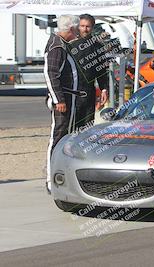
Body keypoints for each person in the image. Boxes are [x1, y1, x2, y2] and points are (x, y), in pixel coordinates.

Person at [44, 15, 80, 193]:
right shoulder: (57, 46)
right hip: (62, 101)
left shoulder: (61, 44)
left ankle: (61, 177)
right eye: (77, 29)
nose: (78, 32)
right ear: (71, 29)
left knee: (65, 138)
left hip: (68, 99)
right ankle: (51, 180)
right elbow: (51, 73)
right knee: (57, 138)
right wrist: (59, 99)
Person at [69, 13, 109, 131]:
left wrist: (104, 89)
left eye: (88, 26)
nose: (85, 29)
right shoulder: (70, 45)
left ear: (92, 27)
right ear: (78, 26)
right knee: (70, 126)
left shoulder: (97, 47)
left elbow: (101, 70)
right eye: (82, 26)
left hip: (88, 91)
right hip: (72, 91)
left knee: (87, 126)